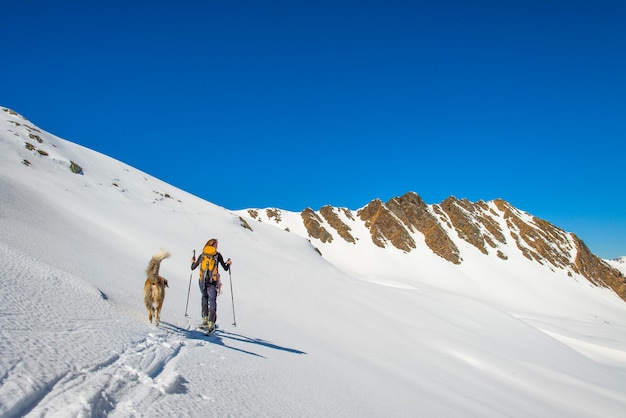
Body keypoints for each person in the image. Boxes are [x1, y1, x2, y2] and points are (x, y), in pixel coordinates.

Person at [191, 238, 232, 332]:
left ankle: (205, 319)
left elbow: (193, 267)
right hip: (212, 282)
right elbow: (225, 268)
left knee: (204, 297)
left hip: (202, 281)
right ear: (214, 246)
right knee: (212, 301)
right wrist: (228, 264)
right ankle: (211, 322)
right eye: (216, 245)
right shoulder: (217, 255)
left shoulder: (202, 255)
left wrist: (193, 262)